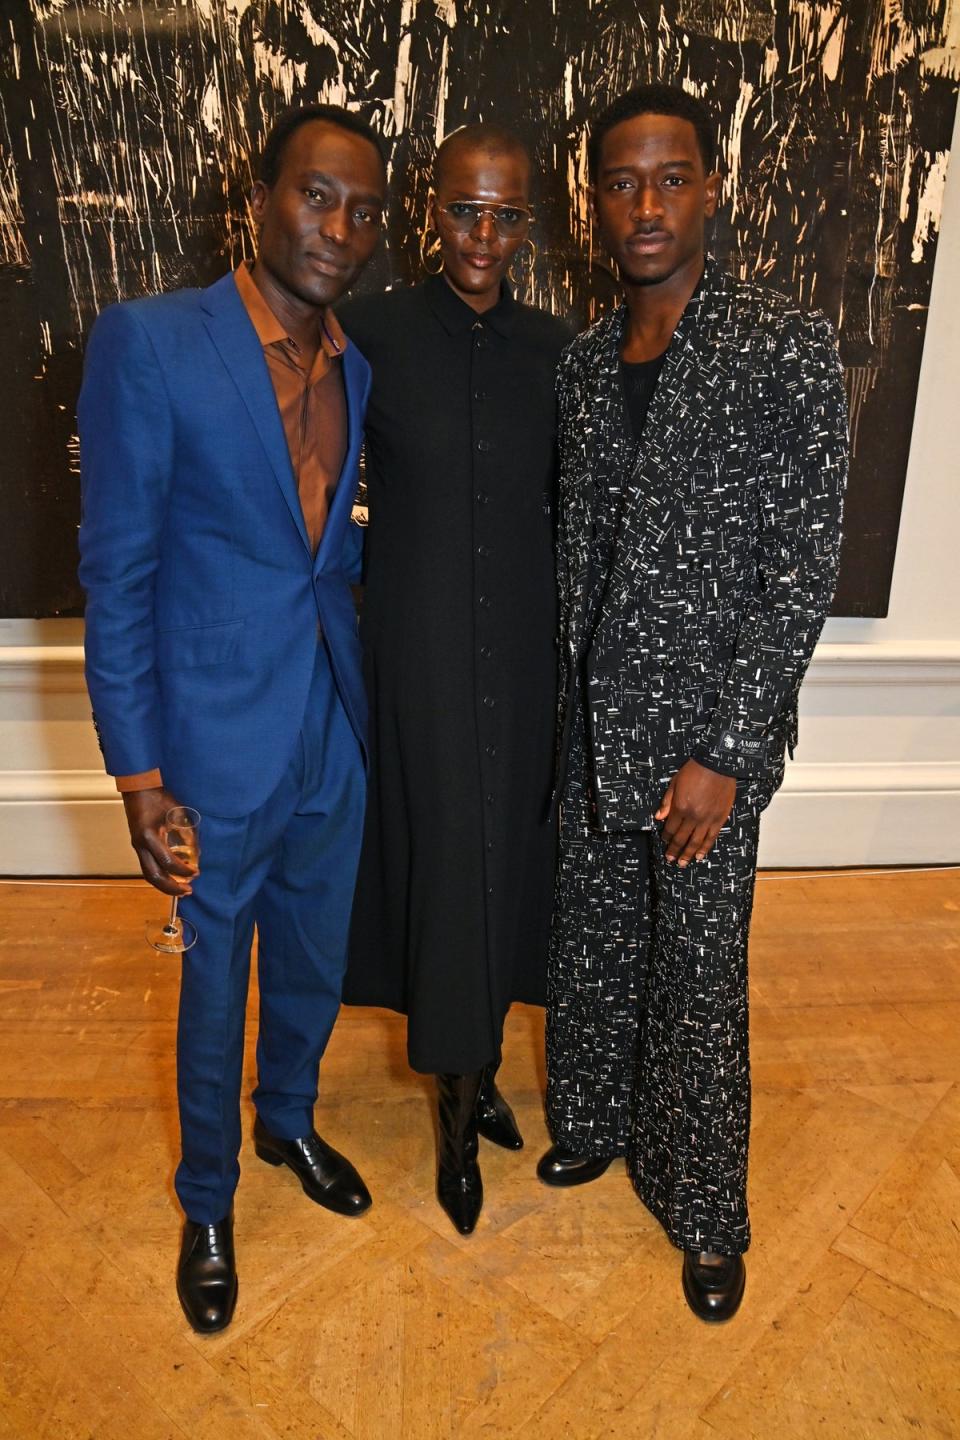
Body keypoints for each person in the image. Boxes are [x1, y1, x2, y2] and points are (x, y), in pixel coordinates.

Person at [78, 105, 387, 1333]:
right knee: (214, 983)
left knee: (311, 958)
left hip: (330, 724)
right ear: (256, 197)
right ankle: (206, 1199)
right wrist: (139, 776)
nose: (339, 229)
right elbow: (119, 578)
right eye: (317, 196)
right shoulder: (151, 344)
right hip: (210, 740)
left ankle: (287, 1125)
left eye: (363, 209)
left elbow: (325, 560)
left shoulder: (355, 366)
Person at [541, 84, 848, 1321]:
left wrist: (727, 748)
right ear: (596, 201)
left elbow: (802, 564)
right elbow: (575, 551)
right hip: (594, 723)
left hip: (707, 736)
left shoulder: (783, 343)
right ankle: (597, 1123)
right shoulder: (577, 363)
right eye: (623, 180)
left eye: (672, 177)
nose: (647, 203)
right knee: (598, 948)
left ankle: (707, 1208)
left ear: (714, 187)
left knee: (702, 976)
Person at [339, 125, 573, 1235]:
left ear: (530, 222)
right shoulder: (371, 333)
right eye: (466, 210)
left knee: (504, 855)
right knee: (445, 860)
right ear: (432, 209)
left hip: (526, 654)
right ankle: (457, 1097)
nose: (485, 237)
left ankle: (473, 1074)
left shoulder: (560, 349)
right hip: (419, 649)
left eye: (507, 215)